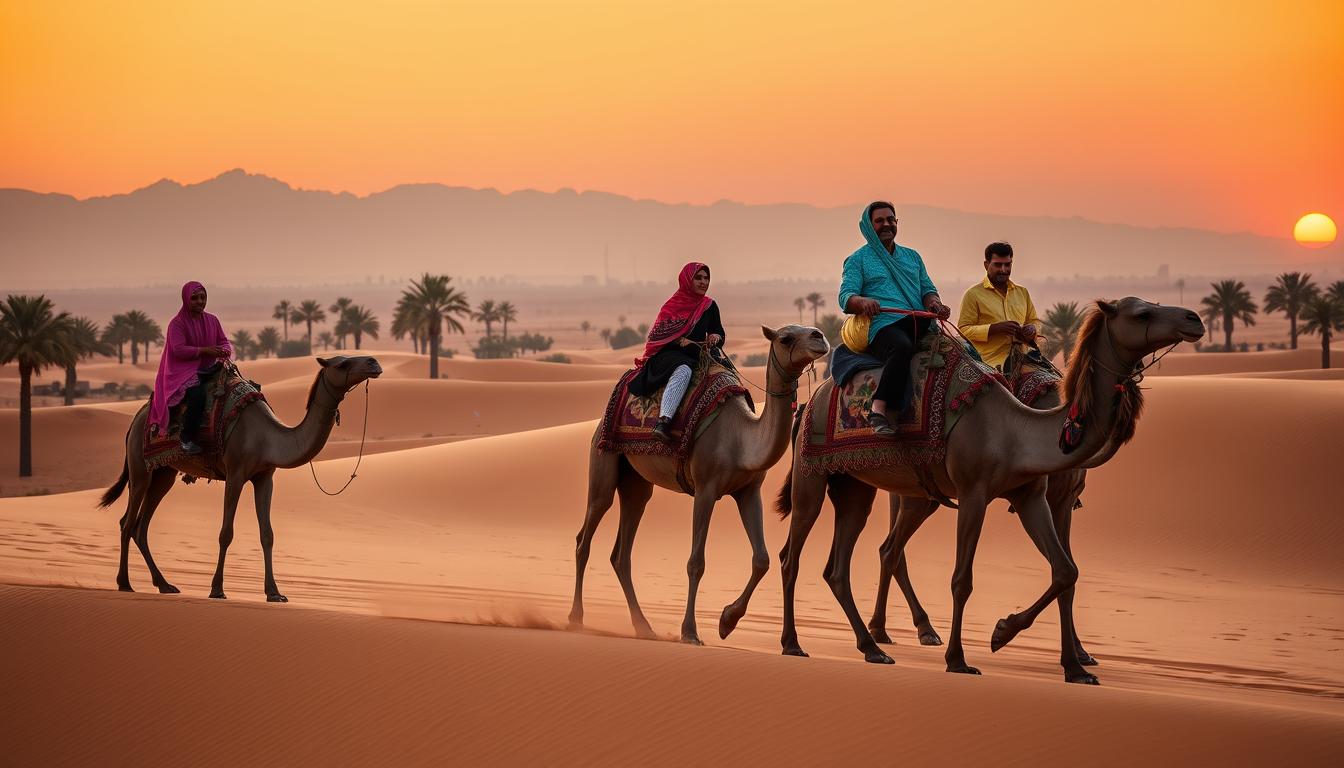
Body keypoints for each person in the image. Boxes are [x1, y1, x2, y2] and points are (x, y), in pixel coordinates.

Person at [839, 202, 951, 436]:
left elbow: (927, 289)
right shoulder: (857, 260)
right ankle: (878, 409)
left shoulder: (912, 257)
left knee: (958, 350)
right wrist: (863, 302)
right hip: (882, 325)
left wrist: (935, 304)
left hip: (918, 321)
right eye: (880, 221)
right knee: (902, 346)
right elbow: (846, 297)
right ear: (869, 227)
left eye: (891, 220)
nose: (887, 225)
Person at [627, 262, 725, 443]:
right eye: (698, 278)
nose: (704, 282)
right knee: (684, 370)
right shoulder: (671, 306)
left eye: (706, 278)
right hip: (669, 356)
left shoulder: (709, 306)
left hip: (698, 354)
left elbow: (718, 331)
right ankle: (663, 422)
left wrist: (715, 337)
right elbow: (658, 338)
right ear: (687, 280)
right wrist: (680, 340)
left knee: (727, 376)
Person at [149, 281, 233, 455]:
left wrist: (224, 349)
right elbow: (178, 349)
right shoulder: (177, 324)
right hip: (184, 372)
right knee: (198, 395)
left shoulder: (212, 320)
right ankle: (187, 440)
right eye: (195, 298)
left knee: (238, 389)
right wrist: (205, 350)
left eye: (203, 297)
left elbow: (224, 341)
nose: (199, 301)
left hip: (211, 368)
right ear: (186, 299)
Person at [957, 242, 1041, 370]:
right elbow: (963, 330)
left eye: (1007, 264)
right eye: (997, 264)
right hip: (987, 364)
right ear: (986, 265)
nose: (1003, 269)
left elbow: (1034, 321)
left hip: (1024, 360)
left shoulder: (1022, 292)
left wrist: (1032, 330)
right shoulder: (973, 294)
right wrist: (994, 328)